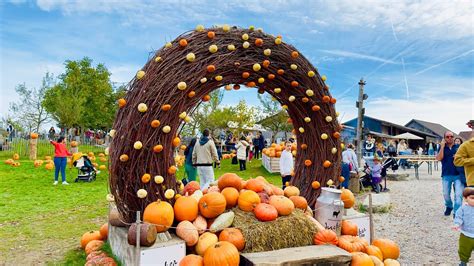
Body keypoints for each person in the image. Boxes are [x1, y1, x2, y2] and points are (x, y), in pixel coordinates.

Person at [436, 131, 464, 217]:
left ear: (453, 137)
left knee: (458, 195)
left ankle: (456, 212)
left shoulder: (459, 147)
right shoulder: (442, 147)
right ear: (444, 138)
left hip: (458, 174)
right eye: (447, 137)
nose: (449, 138)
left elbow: (464, 158)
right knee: (446, 194)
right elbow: (439, 158)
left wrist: (458, 157)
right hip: (446, 174)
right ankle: (449, 206)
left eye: (451, 136)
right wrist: (442, 146)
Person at [452, 187, 474, 266]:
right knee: (464, 249)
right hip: (466, 234)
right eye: (472, 198)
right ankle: (463, 262)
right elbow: (459, 217)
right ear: (465, 198)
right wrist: (457, 224)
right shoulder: (463, 208)